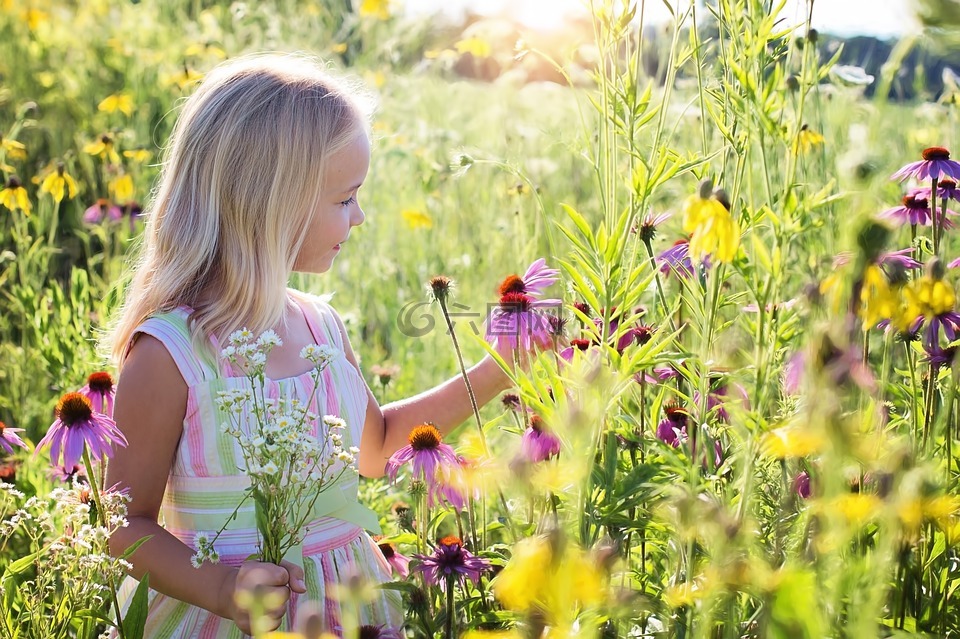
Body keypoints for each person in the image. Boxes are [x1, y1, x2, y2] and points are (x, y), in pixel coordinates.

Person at [104, 53, 514, 637]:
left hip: (349, 609)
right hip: (221, 618)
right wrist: (222, 588)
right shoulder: (172, 354)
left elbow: (375, 449)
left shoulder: (321, 326)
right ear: (271, 206)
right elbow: (124, 527)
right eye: (345, 199)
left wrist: (498, 368)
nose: (361, 215)